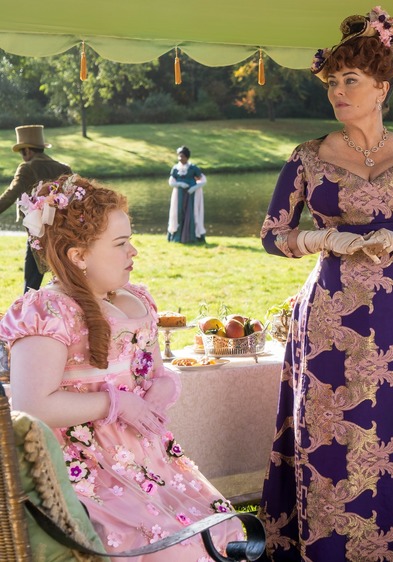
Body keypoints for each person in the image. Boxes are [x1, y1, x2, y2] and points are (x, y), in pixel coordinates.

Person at [258, 6, 393, 560]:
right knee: (333, 429)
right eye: (332, 82)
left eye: (349, 80)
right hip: (330, 313)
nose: (337, 91)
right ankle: (334, 546)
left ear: (382, 87)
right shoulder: (308, 158)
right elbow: (271, 233)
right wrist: (322, 242)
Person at [0, 175, 244, 560]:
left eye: (130, 240)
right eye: (120, 244)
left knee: (223, 528)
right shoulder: (48, 312)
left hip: (145, 457)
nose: (133, 252)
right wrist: (117, 404)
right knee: (170, 547)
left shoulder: (136, 298)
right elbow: (32, 405)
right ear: (79, 256)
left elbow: (155, 370)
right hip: (85, 465)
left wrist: (164, 386)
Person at [0, 125, 73, 292]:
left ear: (27, 150)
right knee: (65, 277)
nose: (23, 156)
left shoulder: (28, 167)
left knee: (31, 282)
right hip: (63, 230)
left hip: (38, 231)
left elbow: (10, 195)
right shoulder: (64, 168)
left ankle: (26, 314)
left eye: (22, 152)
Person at [167, 145, 207, 244]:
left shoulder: (193, 168)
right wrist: (179, 184)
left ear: (187, 157)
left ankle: (192, 237)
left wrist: (194, 188)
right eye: (179, 156)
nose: (181, 159)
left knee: (191, 213)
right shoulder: (176, 168)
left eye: (183, 156)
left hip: (191, 195)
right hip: (179, 194)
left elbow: (203, 180)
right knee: (179, 213)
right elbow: (171, 181)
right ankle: (177, 237)